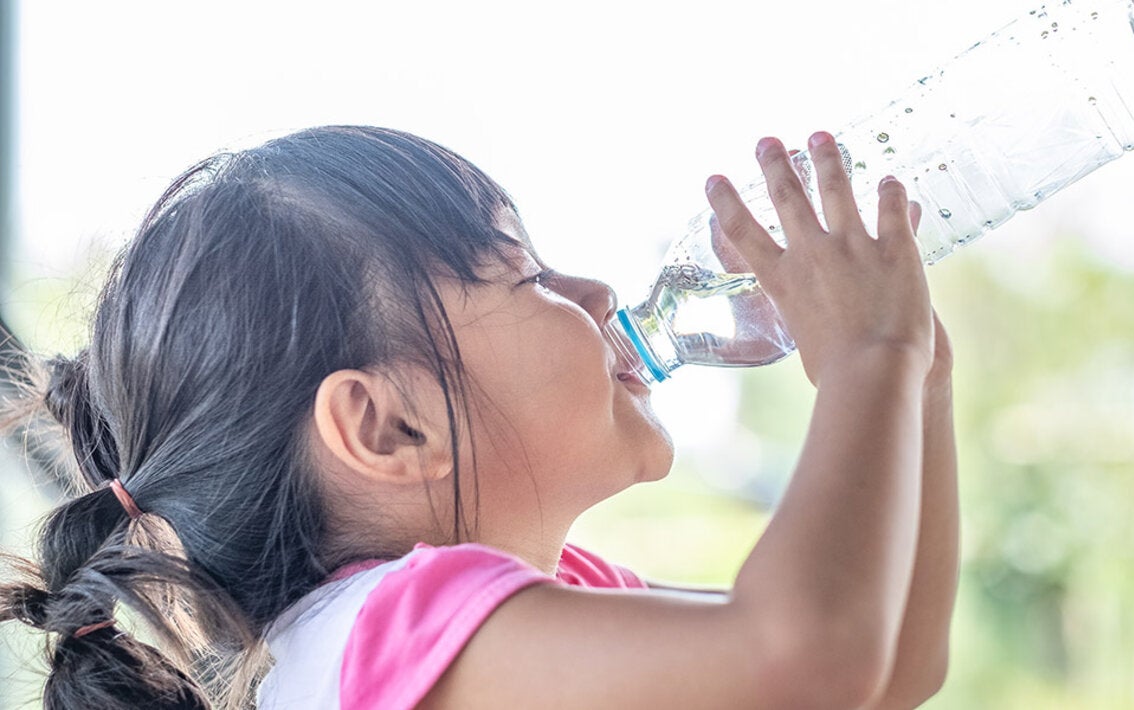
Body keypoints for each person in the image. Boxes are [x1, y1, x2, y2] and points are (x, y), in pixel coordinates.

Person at [0, 125, 959, 709]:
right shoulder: (381, 631)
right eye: (529, 276)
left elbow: (883, 677)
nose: (596, 292)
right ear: (388, 428)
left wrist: (920, 387)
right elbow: (808, 657)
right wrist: (871, 359)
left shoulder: (532, 603)